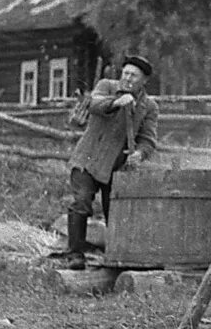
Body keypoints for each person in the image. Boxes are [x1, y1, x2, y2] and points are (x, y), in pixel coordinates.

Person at [65, 55, 158, 270]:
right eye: (125, 73)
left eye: (133, 75)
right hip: (88, 159)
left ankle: (116, 257)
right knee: (81, 202)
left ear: (144, 80)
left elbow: (148, 139)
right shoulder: (106, 86)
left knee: (115, 212)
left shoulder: (149, 106)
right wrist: (116, 102)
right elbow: (94, 104)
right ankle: (75, 255)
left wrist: (140, 154)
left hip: (117, 167)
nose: (127, 78)